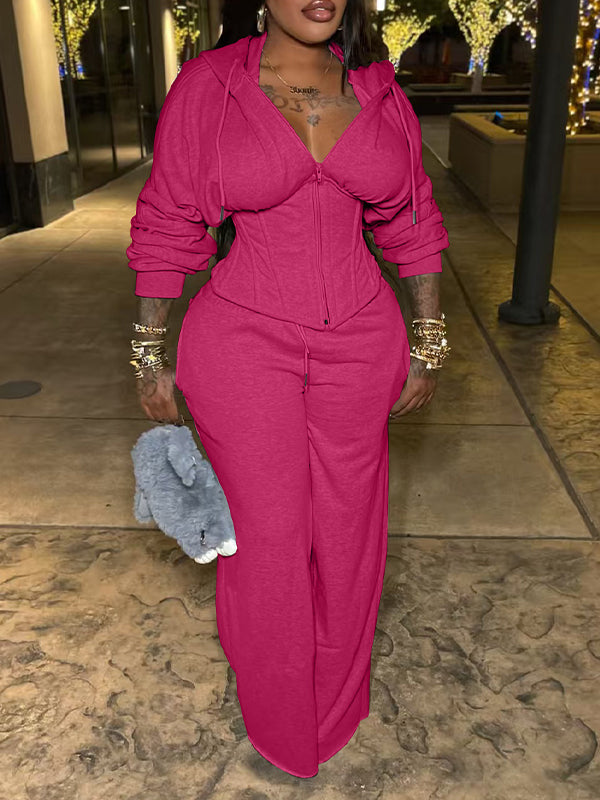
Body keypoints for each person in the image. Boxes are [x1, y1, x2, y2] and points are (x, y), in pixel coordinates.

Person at [126, 0, 450, 779]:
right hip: (241, 343)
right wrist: (148, 351)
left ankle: (335, 706)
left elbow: (412, 218)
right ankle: (280, 718)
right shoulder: (210, 85)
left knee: (349, 536)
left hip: (363, 343)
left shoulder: (376, 88)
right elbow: (169, 220)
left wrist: (429, 341)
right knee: (267, 541)